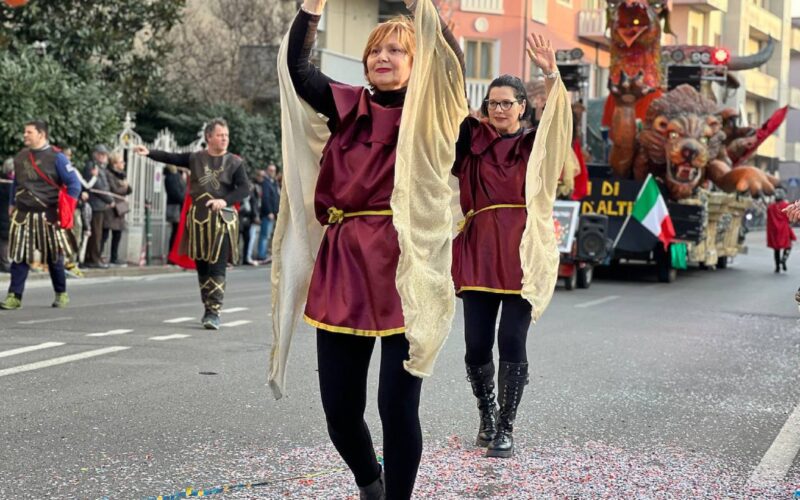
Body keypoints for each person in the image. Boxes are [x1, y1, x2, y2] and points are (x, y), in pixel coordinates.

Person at [282, 1, 464, 498]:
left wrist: (424, 12)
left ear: (417, 59)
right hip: (344, 264)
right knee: (339, 409)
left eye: (396, 50)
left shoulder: (434, 114)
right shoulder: (344, 104)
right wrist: (310, 10)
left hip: (408, 266)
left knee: (396, 406)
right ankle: (370, 482)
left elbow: (453, 67)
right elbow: (297, 70)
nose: (382, 57)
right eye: (375, 50)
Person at [451, 35, 568, 458]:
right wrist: (442, 41)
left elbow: (559, 122)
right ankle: (486, 413)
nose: (499, 109)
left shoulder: (535, 145)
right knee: (475, 345)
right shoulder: (472, 141)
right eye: (493, 103)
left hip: (522, 252)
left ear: (522, 106)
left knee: (511, 342)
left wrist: (551, 75)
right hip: (479, 250)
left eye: (507, 103)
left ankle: (506, 427)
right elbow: (444, 104)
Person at [133, 118, 251, 330]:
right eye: (220, 135)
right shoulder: (196, 158)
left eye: (226, 135)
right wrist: (148, 152)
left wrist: (224, 200)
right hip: (197, 220)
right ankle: (207, 307)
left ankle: (214, 311)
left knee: (217, 264)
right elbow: (172, 157)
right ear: (209, 137)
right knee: (202, 266)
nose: (224, 139)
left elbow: (244, 188)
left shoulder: (235, 162)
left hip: (222, 220)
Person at [0, 120, 81, 309]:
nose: (25, 135)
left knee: (54, 257)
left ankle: (61, 293)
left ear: (41, 134)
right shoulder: (20, 157)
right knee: (20, 256)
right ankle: (14, 296)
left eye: (29, 132)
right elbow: (16, 183)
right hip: (23, 214)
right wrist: (12, 203)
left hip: (49, 214)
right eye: (24, 132)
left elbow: (74, 184)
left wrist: (66, 208)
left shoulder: (57, 157)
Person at [83, 144, 115, 268]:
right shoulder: (92, 166)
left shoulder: (100, 167)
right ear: (95, 154)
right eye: (101, 154)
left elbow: (104, 185)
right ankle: (92, 259)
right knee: (95, 234)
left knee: (98, 233)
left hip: (100, 205)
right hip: (95, 204)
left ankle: (94, 257)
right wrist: (109, 200)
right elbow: (96, 186)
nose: (103, 157)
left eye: (105, 154)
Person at [102, 152, 132, 266]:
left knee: (118, 233)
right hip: (112, 206)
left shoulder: (121, 174)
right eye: (121, 162)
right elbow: (114, 189)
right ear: (114, 163)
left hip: (121, 206)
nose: (123, 164)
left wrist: (125, 187)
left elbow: (129, 189)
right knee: (105, 232)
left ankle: (114, 257)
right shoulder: (109, 174)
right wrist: (124, 187)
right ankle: (99, 255)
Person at [163, 164, 186, 264]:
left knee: (177, 232)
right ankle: (172, 257)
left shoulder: (176, 175)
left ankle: (175, 256)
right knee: (176, 232)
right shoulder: (172, 176)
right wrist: (185, 200)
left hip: (176, 207)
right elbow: (176, 193)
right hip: (176, 207)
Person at [257, 163, 279, 262]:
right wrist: (269, 212)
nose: (272, 172)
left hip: (273, 214)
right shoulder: (266, 183)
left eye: (273, 170)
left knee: (268, 235)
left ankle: (264, 254)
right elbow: (265, 198)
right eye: (270, 170)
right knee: (265, 235)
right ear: (267, 171)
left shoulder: (274, 182)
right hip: (267, 214)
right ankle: (262, 255)